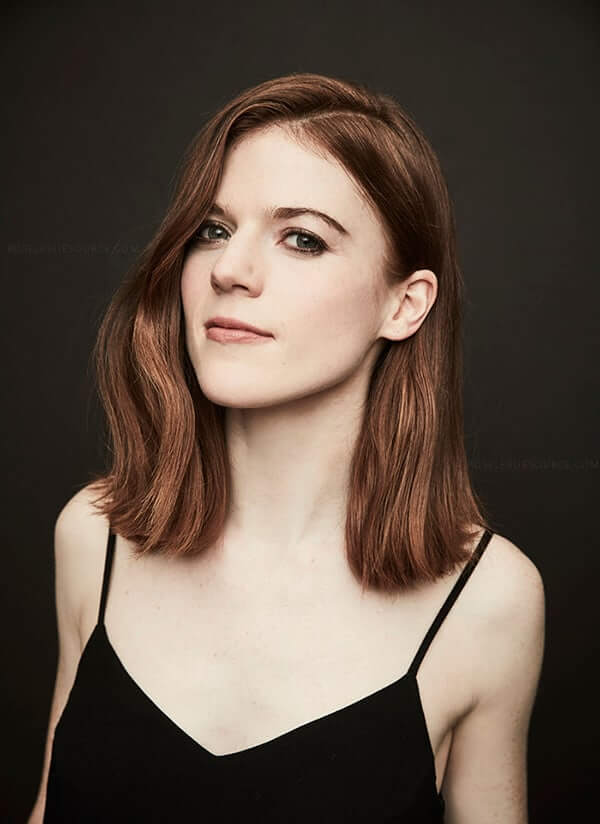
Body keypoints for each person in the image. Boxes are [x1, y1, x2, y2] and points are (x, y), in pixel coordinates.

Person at [28, 72, 545, 823]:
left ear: (405, 304)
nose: (229, 270)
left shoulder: (489, 601)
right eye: (213, 230)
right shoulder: (93, 536)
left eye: (302, 239)